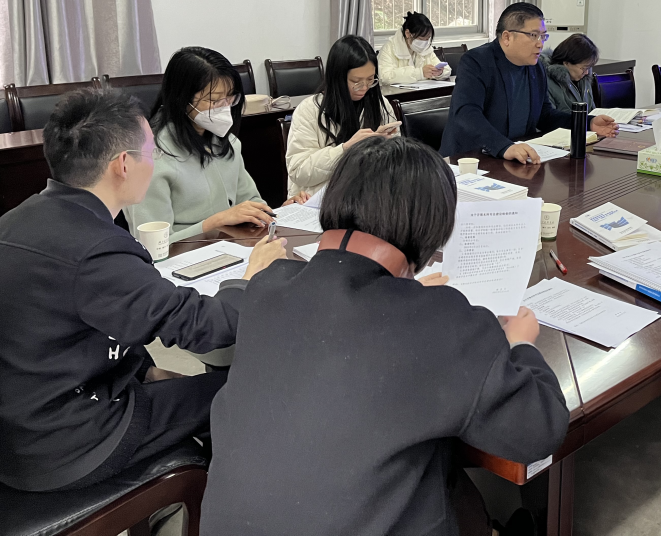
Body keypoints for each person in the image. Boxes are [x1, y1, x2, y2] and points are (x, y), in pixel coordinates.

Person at [200, 136, 569, 536]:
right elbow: (539, 430)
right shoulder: (443, 320)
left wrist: (405, 296)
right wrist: (520, 343)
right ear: (434, 228)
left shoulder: (266, 287)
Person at [0, 89, 286, 492]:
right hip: (68, 441)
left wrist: (145, 371)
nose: (154, 163)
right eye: (151, 152)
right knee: (246, 388)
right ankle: (232, 502)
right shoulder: (97, 249)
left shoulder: (18, 220)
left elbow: (76, 323)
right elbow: (206, 327)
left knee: (189, 386)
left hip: (22, 425)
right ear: (123, 164)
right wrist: (253, 277)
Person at [125, 47, 307, 243]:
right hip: (185, 256)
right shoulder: (150, 157)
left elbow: (251, 202)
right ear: (182, 98)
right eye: (214, 100)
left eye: (230, 97)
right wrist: (215, 222)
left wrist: (277, 213)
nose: (225, 106)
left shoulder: (227, 143)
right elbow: (152, 245)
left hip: (231, 247)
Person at [439, 3, 617, 162]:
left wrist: (587, 123)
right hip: (470, 159)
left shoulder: (536, 67)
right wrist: (504, 147)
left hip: (517, 156)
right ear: (507, 37)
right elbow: (467, 113)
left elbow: (545, 116)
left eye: (543, 36)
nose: (540, 44)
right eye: (533, 35)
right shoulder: (477, 61)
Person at [286, 35, 398, 196]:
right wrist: (346, 149)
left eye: (370, 79)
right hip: (321, 200)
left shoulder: (381, 105)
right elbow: (299, 172)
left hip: (370, 196)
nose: (364, 87)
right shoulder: (309, 110)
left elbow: (396, 165)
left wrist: (385, 146)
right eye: (356, 81)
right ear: (337, 77)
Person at [377, 11, 452, 85]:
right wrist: (420, 73)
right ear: (408, 34)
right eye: (421, 39)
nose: (424, 43)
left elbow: (446, 70)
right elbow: (385, 77)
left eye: (427, 39)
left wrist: (439, 73)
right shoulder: (389, 48)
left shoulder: (426, 49)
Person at [539, 32, 600, 113]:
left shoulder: (584, 80)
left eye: (589, 68)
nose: (586, 72)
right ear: (566, 63)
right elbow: (548, 117)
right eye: (584, 68)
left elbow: (592, 110)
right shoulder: (546, 82)